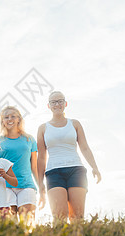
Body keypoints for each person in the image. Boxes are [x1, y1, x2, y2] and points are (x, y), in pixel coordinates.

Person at [37, 91, 102, 221]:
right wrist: (40, 183)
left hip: (76, 170)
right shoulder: (43, 128)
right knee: (59, 216)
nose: (57, 104)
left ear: (65, 104)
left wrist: (95, 167)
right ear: (48, 106)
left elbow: (84, 147)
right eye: (53, 102)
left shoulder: (75, 124)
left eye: (60, 101)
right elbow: (41, 157)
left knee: (77, 216)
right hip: (53, 172)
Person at [0, 106, 45, 224]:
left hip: (26, 185)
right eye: (6, 117)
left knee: (27, 224)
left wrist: (41, 186)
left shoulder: (29, 140)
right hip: (5, 186)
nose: (10, 119)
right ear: (2, 121)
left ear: (19, 119)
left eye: (13, 116)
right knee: (10, 225)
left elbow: (34, 166)